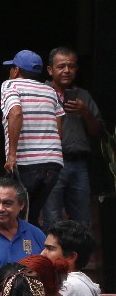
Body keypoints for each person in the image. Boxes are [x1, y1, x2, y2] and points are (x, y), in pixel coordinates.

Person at [0, 49, 63, 227]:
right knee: (32, 217)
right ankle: (33, 253)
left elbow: (16, 113)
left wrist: (12, 155)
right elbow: (58, 126)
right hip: (53, 163)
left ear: (16, 70)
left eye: (11, 68)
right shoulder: (50, 91)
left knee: (15, 217)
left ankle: (21, 254)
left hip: (27, 163)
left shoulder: (10, 85)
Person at [44, 46, 104, 226]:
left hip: (79, 165)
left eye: (71, 66)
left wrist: (86, 113)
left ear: (76, 69)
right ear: (50, 70)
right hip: (51, 164)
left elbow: (97, 131)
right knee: (52, 219)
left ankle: (79, 255)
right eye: (61, 66)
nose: (67, 70)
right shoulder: (42, 93)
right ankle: (53, 255)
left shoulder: (83, 95)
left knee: (82, 220)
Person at [0, 177, 45, 279]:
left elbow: (49, 272)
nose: (0, 209)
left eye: (7, 203)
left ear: (21, 205)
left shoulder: (35, 234)